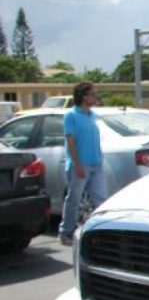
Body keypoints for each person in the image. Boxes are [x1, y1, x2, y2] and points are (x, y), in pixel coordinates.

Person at [58, 82, 106, 245]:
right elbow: (70, 141)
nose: (95, 97)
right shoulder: (71, 115)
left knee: (100, 199)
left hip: (96, 164)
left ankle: (101, 232)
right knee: (74, 199)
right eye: (92, 94)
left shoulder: (92, 115)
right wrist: (77, 164)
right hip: (79, 164)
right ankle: (66, 232)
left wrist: (99, 159)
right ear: (83, 96)